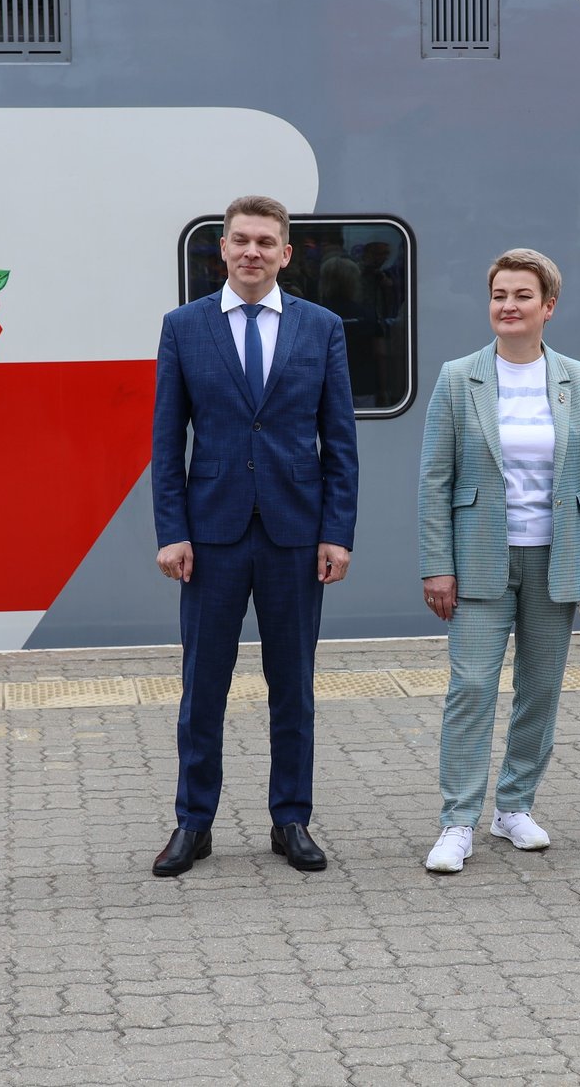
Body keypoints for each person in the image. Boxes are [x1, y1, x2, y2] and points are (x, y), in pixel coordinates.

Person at [150, 194, 359, 876]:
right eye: (241, 240)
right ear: (222, 248)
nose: (252, 252)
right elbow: (165, 441)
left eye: (266, 242)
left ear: (286, 253)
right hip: (210, 536)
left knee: (292, 687)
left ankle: (290, 820)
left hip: (295, 535)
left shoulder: (322, 326)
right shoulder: (183, 328)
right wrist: (172, 531)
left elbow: (341, 441)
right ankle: (193, 823)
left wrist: (337, 533)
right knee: (201, 687)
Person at [415, 249, 580, 873]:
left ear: (548, 307)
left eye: (522, 295)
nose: (508, 305)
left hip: (557, 558)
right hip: (478, 559)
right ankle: (457, 822)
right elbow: (434, 482)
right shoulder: (458, 377)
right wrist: (435, 564)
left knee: (540, 689)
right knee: (472, 686)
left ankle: (514, 807)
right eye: (499, 294)